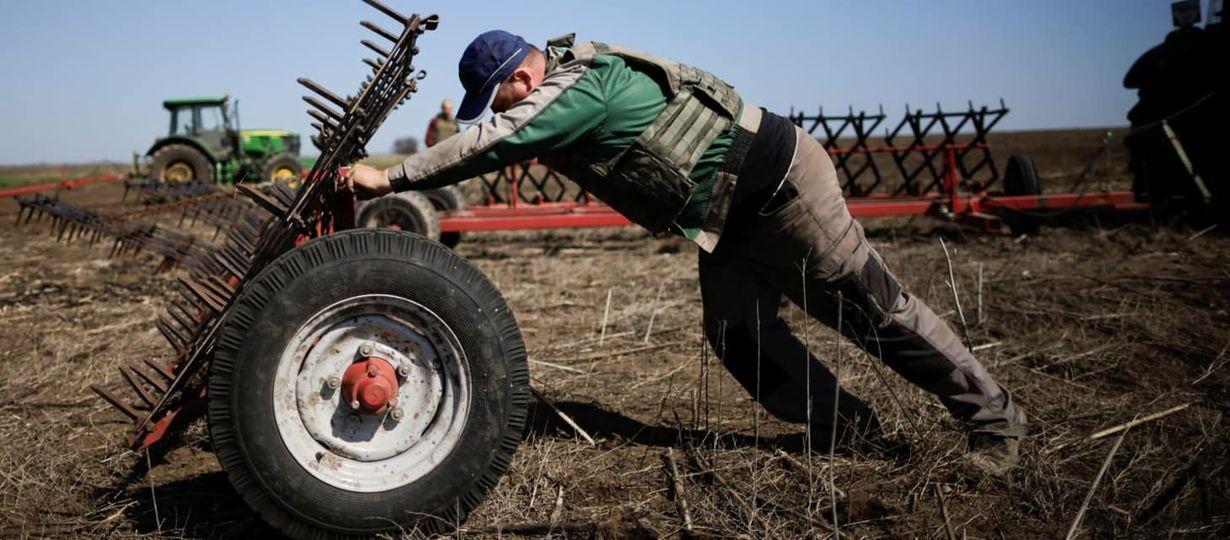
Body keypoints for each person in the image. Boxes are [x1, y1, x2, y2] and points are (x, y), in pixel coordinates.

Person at [347, 30, 1028, 475]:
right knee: (738, 332)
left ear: (520, 78)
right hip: (726, 217)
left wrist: (391, 175)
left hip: (778, 186)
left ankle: (996, 423)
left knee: (871, 310)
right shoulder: (562, 87)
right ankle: (847, 431)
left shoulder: (575, 89)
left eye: (498, 99)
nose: (500, 112)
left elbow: (493, 143)